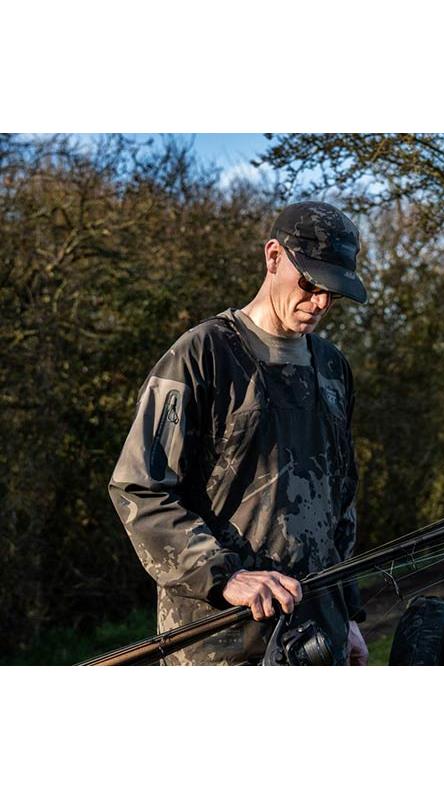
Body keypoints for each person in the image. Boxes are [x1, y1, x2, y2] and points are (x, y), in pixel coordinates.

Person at [108, 201, 369, 666]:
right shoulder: (202, 355)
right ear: (273, 257)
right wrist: (224, 575)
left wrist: (346, 613)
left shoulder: (333, 369)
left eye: (334, 292)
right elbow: (139, 490)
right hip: (218, 643)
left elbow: (341, 501)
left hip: (318, 637)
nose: (321, 303)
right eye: (310, 284)